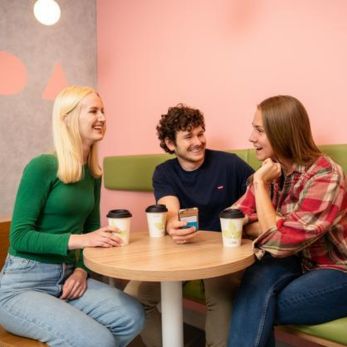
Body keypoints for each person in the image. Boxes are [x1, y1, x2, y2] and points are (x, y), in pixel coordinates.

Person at [0, 86, 144, 347]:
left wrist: (80, 270)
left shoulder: (93, 174)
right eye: (93, 111)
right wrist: (80, 241)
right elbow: (19, 237)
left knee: (132, 316)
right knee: (99, 341)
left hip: (67, 277)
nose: (102, 117)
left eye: (103, 111)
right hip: (22, 286)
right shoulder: (42, 166)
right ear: (68, 118)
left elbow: (92, 231)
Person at [125, 104, 254, 347]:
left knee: (220, 300)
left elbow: (262, 190)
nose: (198, 141)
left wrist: (244, 212)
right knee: (134, 298)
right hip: (182, 249)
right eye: (188, 136)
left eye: (200, 133)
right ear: (171, 144)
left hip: (223, 253)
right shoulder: (164, 172)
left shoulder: (230, 165)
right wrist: (172, 224)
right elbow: (169, 207)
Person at [227, 95, 347, 347]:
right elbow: (231, 220)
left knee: (251, 304)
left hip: (336, 271)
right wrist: (272, 223)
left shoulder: (325, 174)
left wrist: (260, 186)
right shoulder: (272, 170)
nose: (251, 138)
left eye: (259, 130)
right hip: (295, 262)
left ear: (281, 133)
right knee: (254, 294)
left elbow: (280, 241)